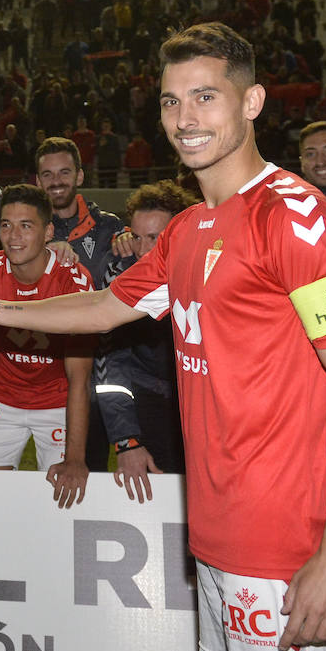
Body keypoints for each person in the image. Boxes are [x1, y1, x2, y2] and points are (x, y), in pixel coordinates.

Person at [0, 23, 326, 651]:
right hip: (219, 521)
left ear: (253, 101)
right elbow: (107, 306)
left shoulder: (295, 220)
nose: (185, 119)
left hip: (280, 529)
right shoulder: (190, 227)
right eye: (172, 102)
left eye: (206, 97)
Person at [0, 184, 93, 507]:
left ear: (48, 231)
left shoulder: (73, 280)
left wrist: (77, 457)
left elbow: (80, 377)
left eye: (26, 226)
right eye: (5, 225)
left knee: (64, 501)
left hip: (57, 402)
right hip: (4, 398)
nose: (14, 236)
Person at [35, 135, 131, 472]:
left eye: (64, 172)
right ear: (37, 180)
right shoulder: (27, 230)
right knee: (47, 468)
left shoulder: (110, 229)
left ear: (79, 176)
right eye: (47, 174)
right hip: (40, 367)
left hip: (97, 368)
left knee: (93, 465)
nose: (56, 181)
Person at [97, 180, 197, 495]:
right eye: (137, 237)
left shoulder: (209, 271)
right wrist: (126, 441)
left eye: (155, 238)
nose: (143, 250)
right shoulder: (123, 274)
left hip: (201, 404)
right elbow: (111, 367)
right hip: (147, 404)